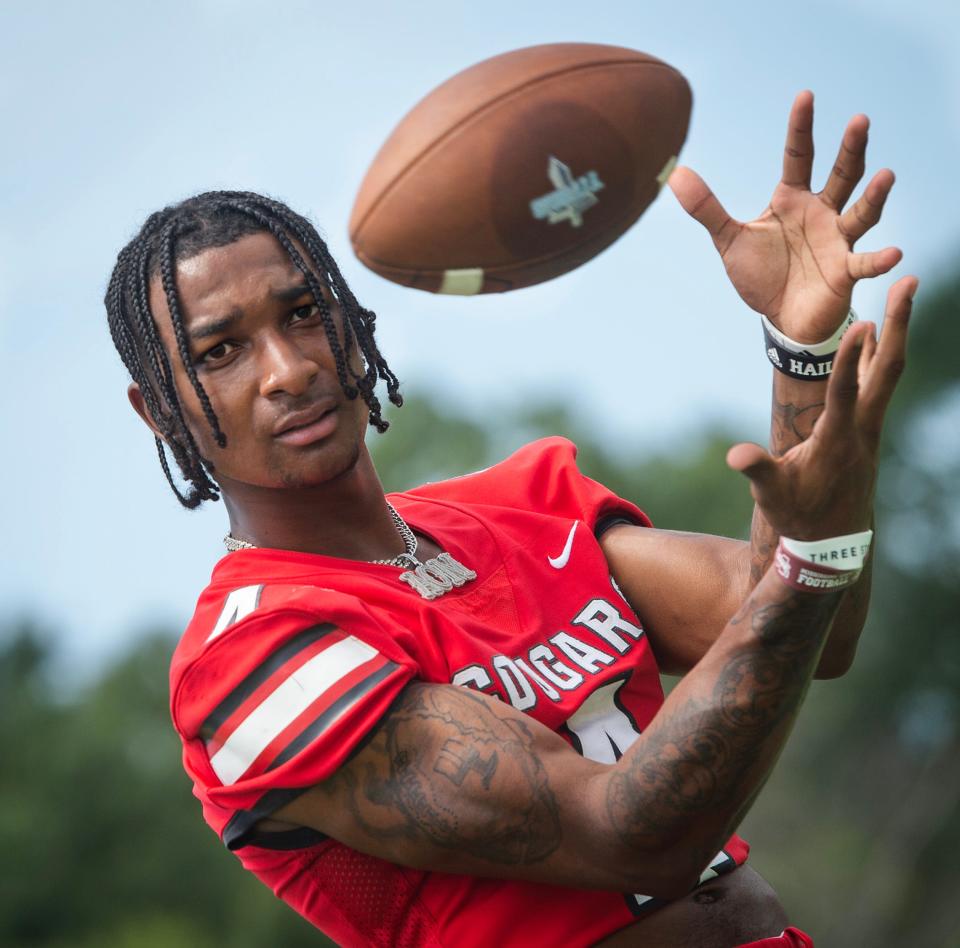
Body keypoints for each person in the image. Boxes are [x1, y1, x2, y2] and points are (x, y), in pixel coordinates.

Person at [106, 92, 915, 947]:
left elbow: (811, 632)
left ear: (349, 318)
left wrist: (802, 355)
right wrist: (810, 560)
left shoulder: (523, 505)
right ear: (157, 409)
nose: (287, 369)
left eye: (304, 312)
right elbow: (632, 836)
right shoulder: (248, 658)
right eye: (220, 351)